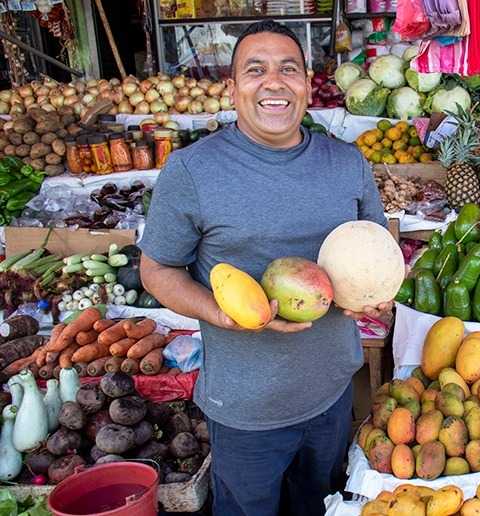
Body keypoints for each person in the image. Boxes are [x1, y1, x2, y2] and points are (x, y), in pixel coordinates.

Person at [138, 20, 392, 516]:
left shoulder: (347, 163)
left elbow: (375, 248)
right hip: (247, 408)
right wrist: (220, 313)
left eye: (288, 69)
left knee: (319, 506)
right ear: (232, 88)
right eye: (255, 70)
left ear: (306, 83)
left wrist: (374, 292)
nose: (274, 82)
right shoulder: (192, 170)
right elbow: (157, 270)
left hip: (332, 394)